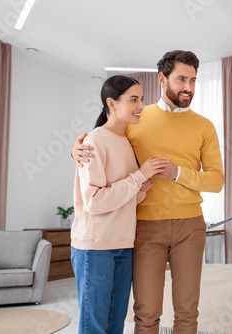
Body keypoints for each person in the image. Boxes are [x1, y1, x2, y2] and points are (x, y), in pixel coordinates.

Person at [71, 51, 224, 334]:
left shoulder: (205, 126)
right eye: (181, 79)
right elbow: (105, 141)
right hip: (143, 226)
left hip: (190, 225)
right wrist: (76, 150)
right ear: (162, 79)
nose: (188, 87)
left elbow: (216, 181)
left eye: (193, 80)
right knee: (146, 311)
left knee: (188, 311)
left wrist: (177, 172)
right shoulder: (137, 118)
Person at [70, 75, 168, 334]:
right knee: (95, 327)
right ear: (111, 104)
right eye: (133, 99)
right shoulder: (94, 141)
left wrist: (139, 191)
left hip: (123, 244)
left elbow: (118, 198)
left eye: (142, 100)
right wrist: (137, 177)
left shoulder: (124, 140)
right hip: (95, 247)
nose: (141, 106)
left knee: (115, 325)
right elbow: (94, 202)